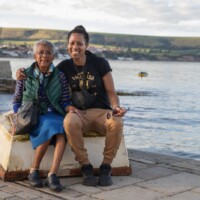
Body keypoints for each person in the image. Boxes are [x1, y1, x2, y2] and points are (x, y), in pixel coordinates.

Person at [16, 25, 127, 187]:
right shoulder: (64, 67)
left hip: (102, 112)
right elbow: (43, 70)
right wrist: (20, 75)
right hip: (78, 113)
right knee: (68, 122)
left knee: (116, 122)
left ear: (86, 46)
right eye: (72, 43)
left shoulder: (100, 63)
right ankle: (85, 167)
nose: (75, 47)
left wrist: (116, 106)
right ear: (68, 45)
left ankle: (105, 167)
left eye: (79, 44)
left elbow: (111, 92)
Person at [13, 39, 71, 192]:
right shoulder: (24, 74)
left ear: (53, 57)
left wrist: (71, 109)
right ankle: (35, 170)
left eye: (48, 53)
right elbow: (17, 99)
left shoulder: (61, 76)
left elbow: (65, 100)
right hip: (34, 115)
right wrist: (16, 119)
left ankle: (52, 174)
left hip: (55, 113)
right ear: (34, 56)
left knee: (61, 133)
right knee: (52, 127)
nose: (44, 56)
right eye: (40, 52)